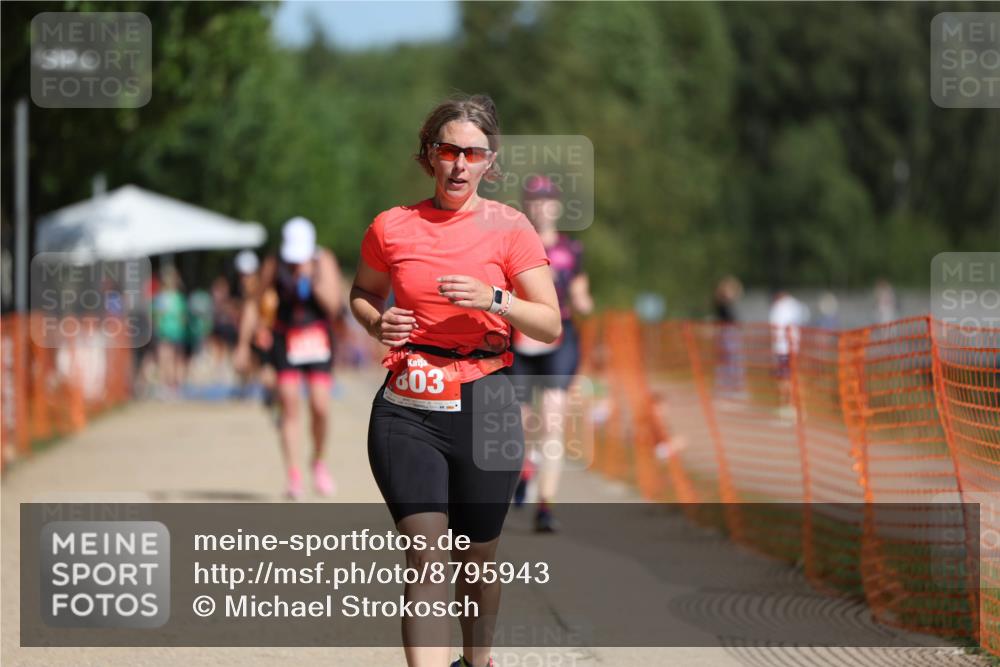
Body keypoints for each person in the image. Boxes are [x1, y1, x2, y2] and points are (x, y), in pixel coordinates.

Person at [350, 94, 561, 667]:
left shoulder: (511, 229)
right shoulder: (392, 226)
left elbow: (549, 323)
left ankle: (477, 660)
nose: (460, 164)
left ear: (490, 162)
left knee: (477, 558)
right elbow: (363, 293)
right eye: (449, 151)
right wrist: (377, 321)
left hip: (486, 402)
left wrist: (497, 299)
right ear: (429, 156)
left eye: (474, 153)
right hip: (407, 405)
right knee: (424, 556)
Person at [508, 175, 594, 533]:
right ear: (526, 206)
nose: (541, 207)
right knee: (522, 423)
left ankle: (546, 506)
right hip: (522, 341)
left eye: (547, 200)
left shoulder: (570, 251)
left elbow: (582, 294)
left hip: (560, 339)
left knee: (553, 421)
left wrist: (583, 301)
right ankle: (524, 469)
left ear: (557, 206)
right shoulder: (513, 246)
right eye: (534, 200)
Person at [235, 218, 343, 500]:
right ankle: (293, 475)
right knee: (289, 404)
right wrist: (243, 345)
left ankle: (318, 461)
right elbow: (253, 303)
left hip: (318, 339)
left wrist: (311, 279)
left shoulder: (323, 260)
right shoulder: (274, 263)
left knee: (320, 406)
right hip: (286, 340)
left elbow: (333, 306)